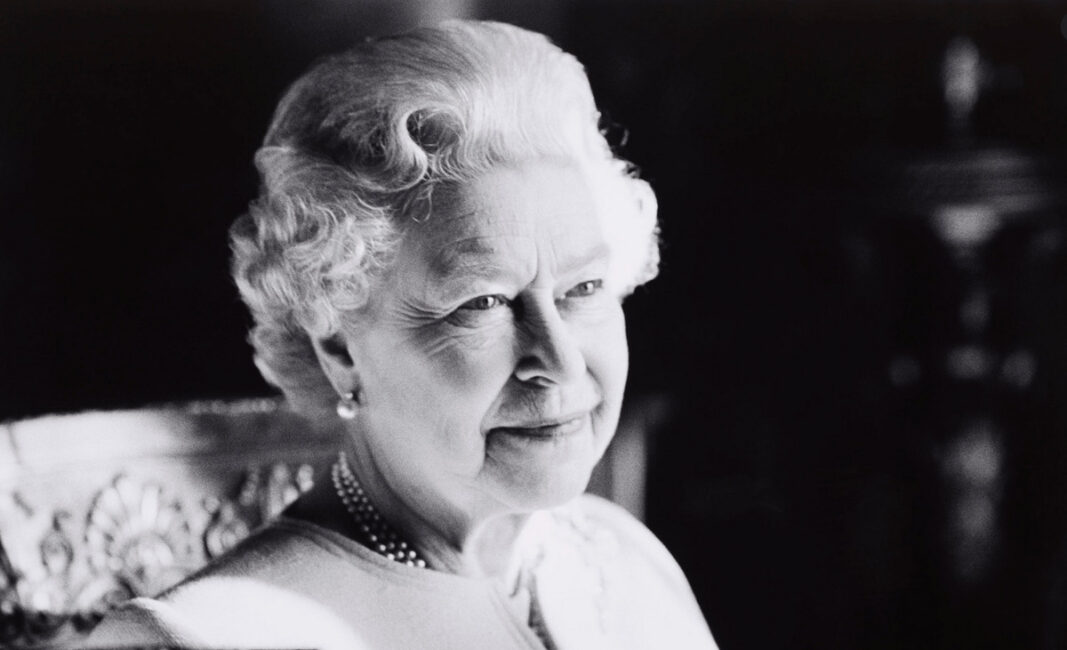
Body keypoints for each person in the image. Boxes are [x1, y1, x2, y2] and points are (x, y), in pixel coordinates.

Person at [87, 19, 717, 650]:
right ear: (337, 348)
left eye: (582, 290)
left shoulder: (625, 561)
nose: (560, 360)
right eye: (485, 302)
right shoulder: (198, 638)